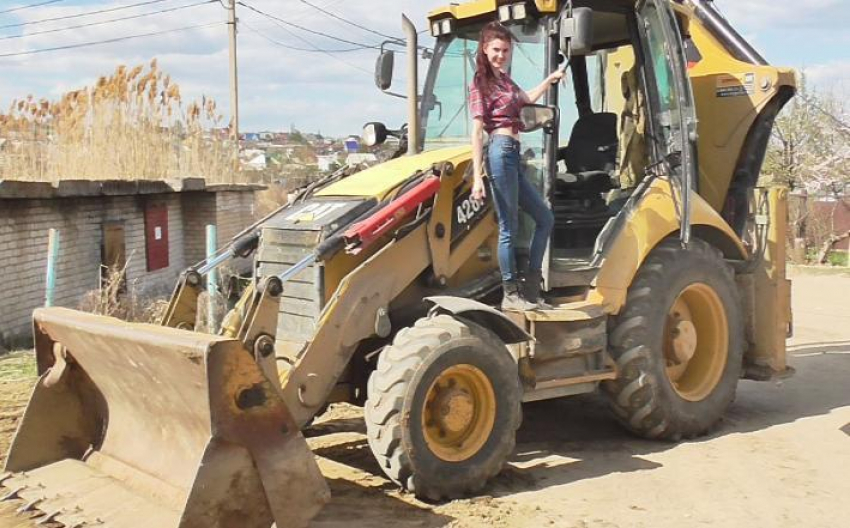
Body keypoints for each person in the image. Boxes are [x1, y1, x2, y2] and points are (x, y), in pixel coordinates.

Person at [469, 21, 564, 311]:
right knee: (509, 226)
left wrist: (551, 79)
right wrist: (477, 177)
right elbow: (476, 131)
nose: (501, 55)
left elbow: (526, 100)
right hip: (498, 151)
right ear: (485, 49)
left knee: (544, 218)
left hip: (514, 153)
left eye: (506, 51)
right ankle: (511, 293)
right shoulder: (480, 83)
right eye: (496, 49)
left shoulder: (506, 81)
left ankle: (532, 291)